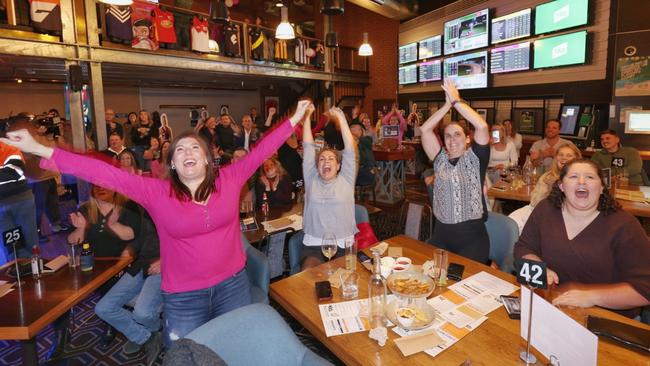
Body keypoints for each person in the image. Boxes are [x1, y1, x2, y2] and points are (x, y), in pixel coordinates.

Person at [1, 99, 313, 348]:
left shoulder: (229, 180)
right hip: (184, 295)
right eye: (180, 150)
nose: (187, 152)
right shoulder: (157, 192)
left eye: (195, 148)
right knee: (187, 355)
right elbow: (105, 173)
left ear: (207, 159)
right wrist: (40, 148)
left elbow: (261, 151)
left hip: (232, 285)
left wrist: (294, 118)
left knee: (235, 348)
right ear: (174, 165)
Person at [514, 159, 650, 317]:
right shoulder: (546, 209)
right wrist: (537, 266)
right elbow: (523, 247)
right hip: (550, 306)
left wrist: (591, 296)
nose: (581, 181)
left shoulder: (625, 225)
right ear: (562, 186)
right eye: (573, 177)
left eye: (590, 177)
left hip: (605, 318)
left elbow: (645, 290)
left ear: (601, 188)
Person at [420, 79, 491, 263]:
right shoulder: (440, 159)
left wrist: (457, 102)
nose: (452, 139)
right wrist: (446, 105)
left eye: (457, 134)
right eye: (448, 136)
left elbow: (482, 126)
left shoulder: (476, 158)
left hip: (472, 240)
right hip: (441, 236)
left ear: (468, 139)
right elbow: (425, 129)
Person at [95, 203, 162, 365]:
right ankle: (146, 335)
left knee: (142, 313)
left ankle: (153, 331)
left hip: (165, 266)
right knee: (103, 308)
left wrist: (166, 260)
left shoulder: (177, 205)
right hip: (141, 264)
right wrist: (130, 249)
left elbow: (186, 241)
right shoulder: (146, 207)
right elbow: (143, 237)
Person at [300, 106, 357, 269]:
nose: (326, 162)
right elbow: (308, 147)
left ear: (339, 166)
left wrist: (341, 119)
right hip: (314, 244)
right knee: (310, 279)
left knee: (345, 284)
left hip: (343, 244)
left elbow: (350, 150)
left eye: (331, 159)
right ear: (317, 166)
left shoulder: (346, 178)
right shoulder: (311, 179)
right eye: (322, 159)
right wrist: (307, 117)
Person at [509, 144, 582, 233]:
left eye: (569, 155)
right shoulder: (548, 176)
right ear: (556, 158)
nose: (564, 158)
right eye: (561, 155)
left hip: (567, 218)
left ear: (577, 159)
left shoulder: (582, 179)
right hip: (540, 211)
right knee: (511, 222)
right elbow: (535, 201)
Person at [0, 140, 38, 260]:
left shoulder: (8, 148)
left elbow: (14, 171)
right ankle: (19, 272)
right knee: (11, 246)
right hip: (3, 206)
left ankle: (35, 270)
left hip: (21, 201)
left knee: (30, 241)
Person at [349, 121, 375, 187]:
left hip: (365, 172)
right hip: (354, 171)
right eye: (352, 129)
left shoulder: (367, 140)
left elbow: (363, 160)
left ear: (362, 131)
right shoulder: (347, 143)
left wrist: (357, 140)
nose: (354, 131)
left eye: (357, 129)